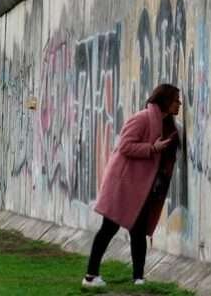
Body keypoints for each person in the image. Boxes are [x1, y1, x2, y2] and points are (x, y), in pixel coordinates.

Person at [82, 84, 182, 287]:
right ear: (165, 101)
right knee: (108, 229)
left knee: (138, 232)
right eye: (175, 100)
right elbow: (125, 146)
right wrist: (152, 148)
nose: (179, 104)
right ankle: (90, 276)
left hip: (141, 189)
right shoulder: (142, 118)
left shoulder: (166, 124)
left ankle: (138, 278)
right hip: (123, 185)